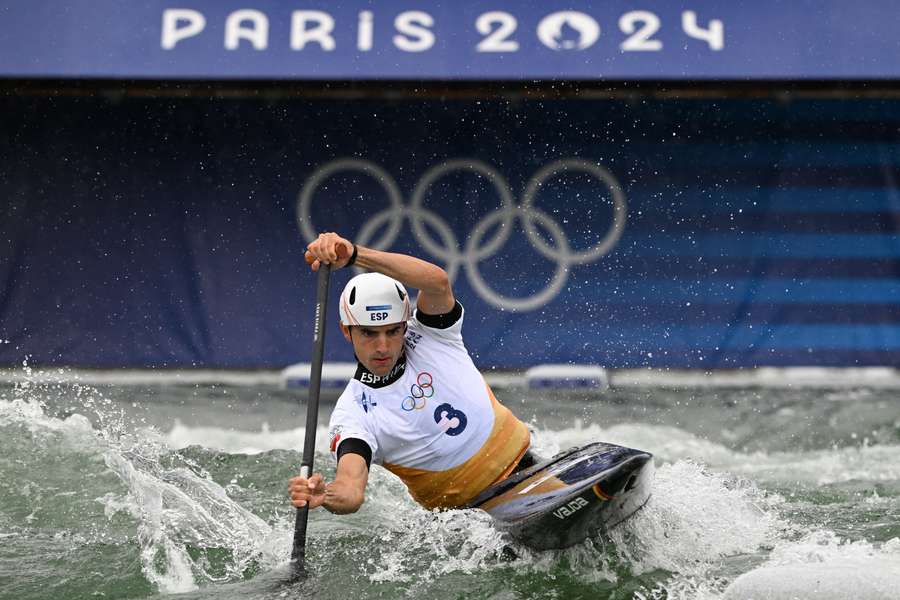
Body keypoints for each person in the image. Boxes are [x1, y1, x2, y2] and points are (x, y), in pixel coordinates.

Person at [288, 231, 537, 514]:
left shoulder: (434, 335)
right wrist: (326, 494)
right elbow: (351, 491)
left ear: (405, 325)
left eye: (393, 331)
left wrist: (357, 255)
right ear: (347, 331)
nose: (383, 346)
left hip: (528, 468)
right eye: (369, 333)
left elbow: (437, 282)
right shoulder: (353, 413)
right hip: (471, 520)